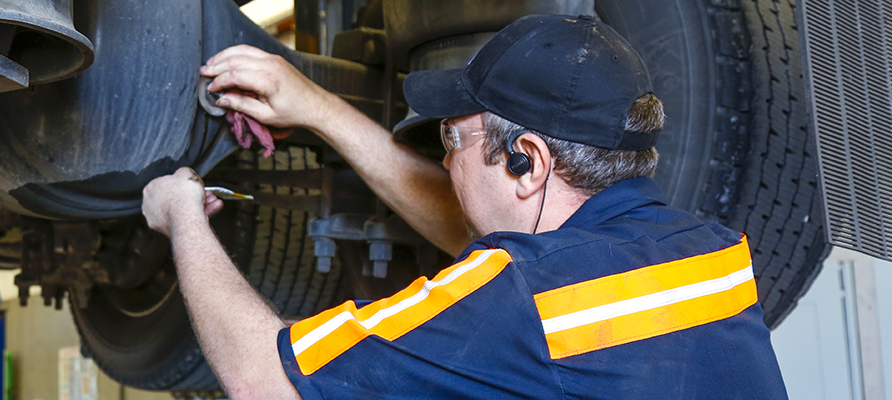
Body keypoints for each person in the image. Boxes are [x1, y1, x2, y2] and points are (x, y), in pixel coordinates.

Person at [141, 14, 787, 400]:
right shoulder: (712, 253)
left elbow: (264, 381)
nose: (446, 162)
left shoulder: (521, 300)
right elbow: (487, 243)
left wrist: (183, 216)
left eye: (452, 139)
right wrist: (315, 107)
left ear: (526, 161)